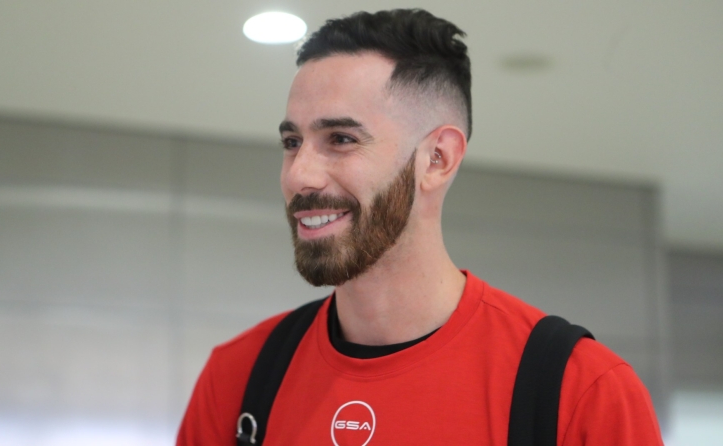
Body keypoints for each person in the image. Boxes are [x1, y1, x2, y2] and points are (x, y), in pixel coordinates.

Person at [177, 9, 663, 445]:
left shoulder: (580, 391)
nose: (299, 175)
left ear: (437, 159)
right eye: (292, 142)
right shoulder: (239, 379)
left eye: (341, 139)